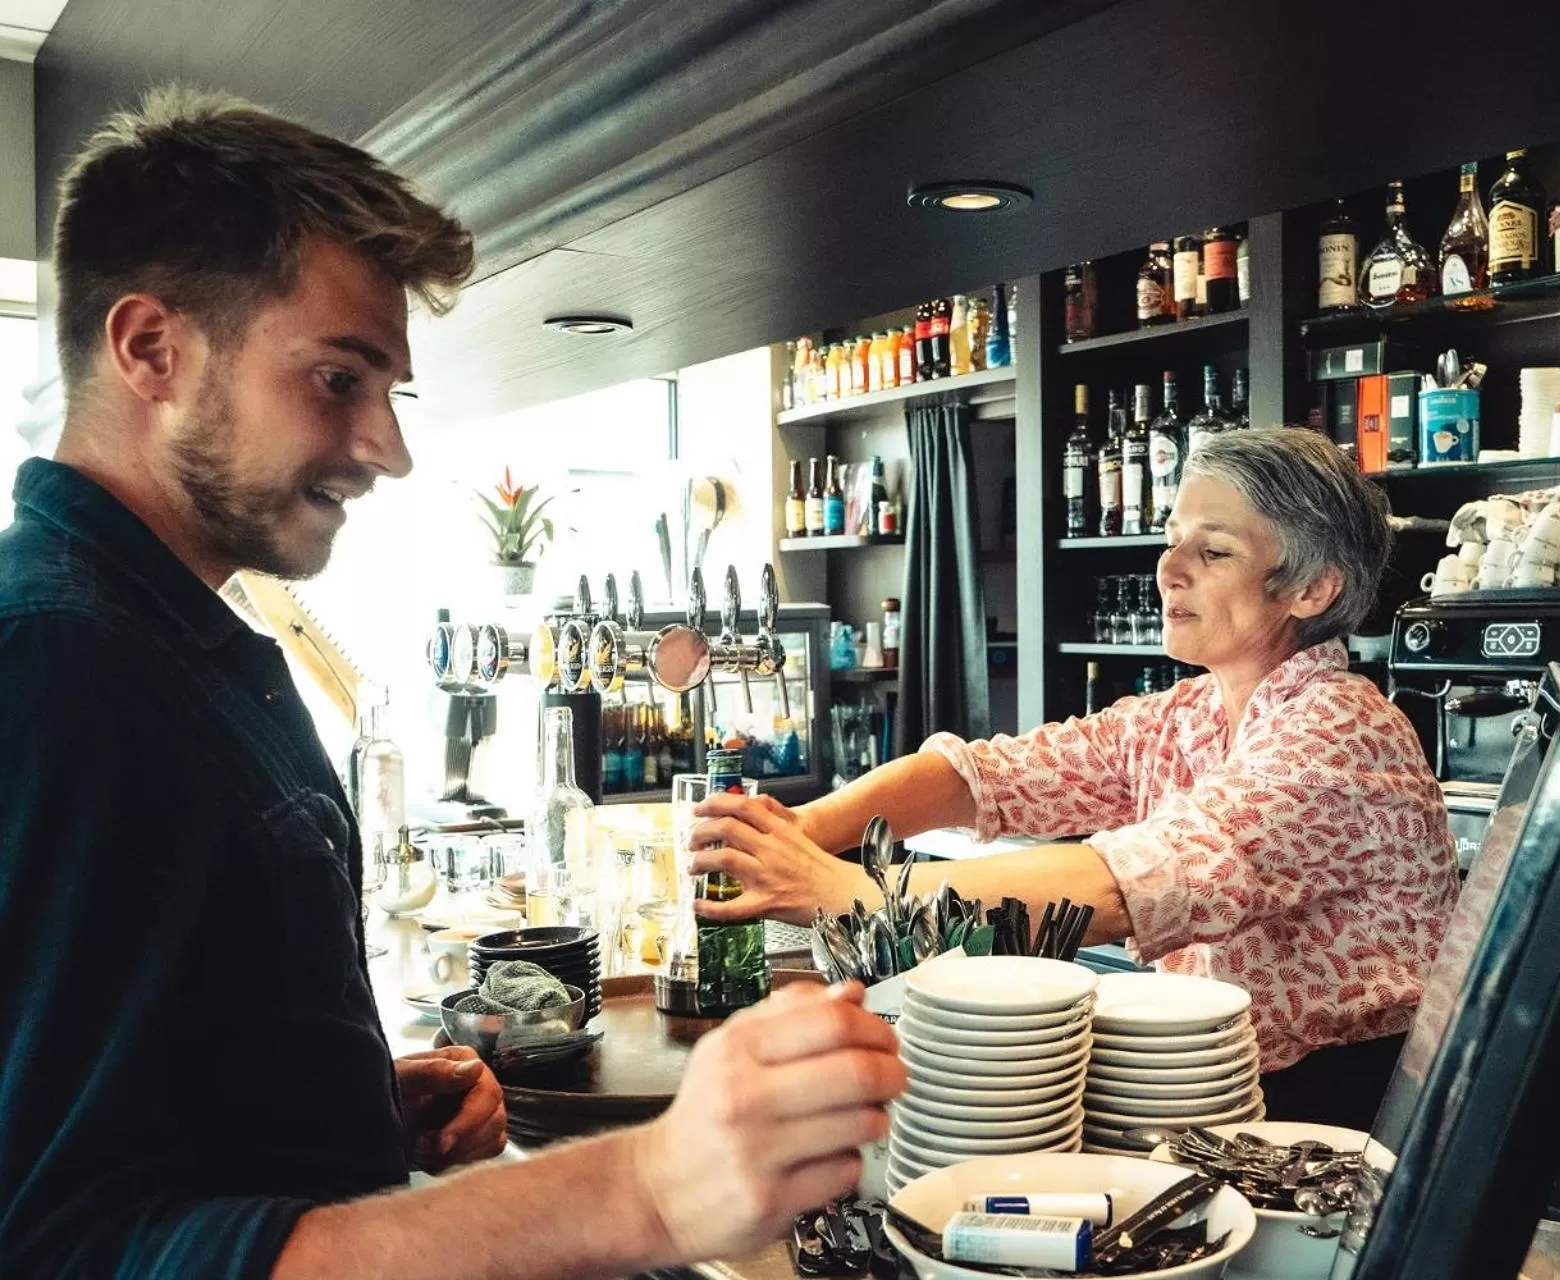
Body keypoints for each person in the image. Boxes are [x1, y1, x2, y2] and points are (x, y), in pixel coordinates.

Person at [0, 88, 904, 1278]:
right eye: (338, 378)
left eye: (391, 392)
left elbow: (146, 1116)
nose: (390, 446)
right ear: (151, 349)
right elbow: (69, 1247)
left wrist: (345, 1105)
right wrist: (644, 1186)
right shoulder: (66, 660)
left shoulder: (170, 634)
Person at [692, 428, 1459, 1129]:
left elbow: (1119, 888)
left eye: (1213, 552)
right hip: (1219, 1093)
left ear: (1311, 589)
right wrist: (799, 832)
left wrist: (843, 892)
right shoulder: (1189, 713)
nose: (1167, 568)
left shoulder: (1342, 730)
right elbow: (979, 778)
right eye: (1171, 539)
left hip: (1345, 1120)